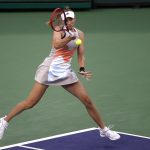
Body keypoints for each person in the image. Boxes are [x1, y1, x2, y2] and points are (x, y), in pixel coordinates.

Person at [0, 8, 120, 141]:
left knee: (87, 101)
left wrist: (81, 68)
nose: (69, 21)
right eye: (66, 19)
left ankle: (103, 130)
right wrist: (69, 37)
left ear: (74, 19)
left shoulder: (80, 34)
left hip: (65, 71)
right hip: (49, 69)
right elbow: (56, 45)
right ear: (63, 20)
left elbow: (81, 54)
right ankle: (4, 121)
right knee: (30, 103)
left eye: (71, 19)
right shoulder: (58, 30)